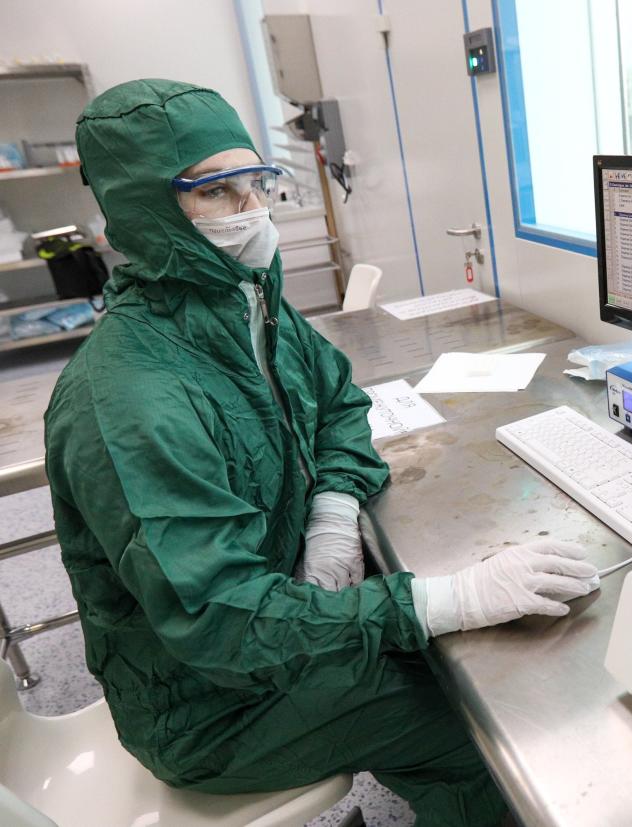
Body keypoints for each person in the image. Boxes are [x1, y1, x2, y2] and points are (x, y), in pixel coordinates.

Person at [43, 78, 598, 825]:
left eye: (257, 183)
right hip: (212, 704)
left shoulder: (246, 304)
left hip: (282, 622)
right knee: (469, 722)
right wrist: (447, 598)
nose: (254, 211)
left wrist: (333, 513)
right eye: (219, 192)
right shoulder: (129, 400)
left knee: (452, 649)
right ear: (145, 206)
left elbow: (336, 399)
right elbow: (221, 619)